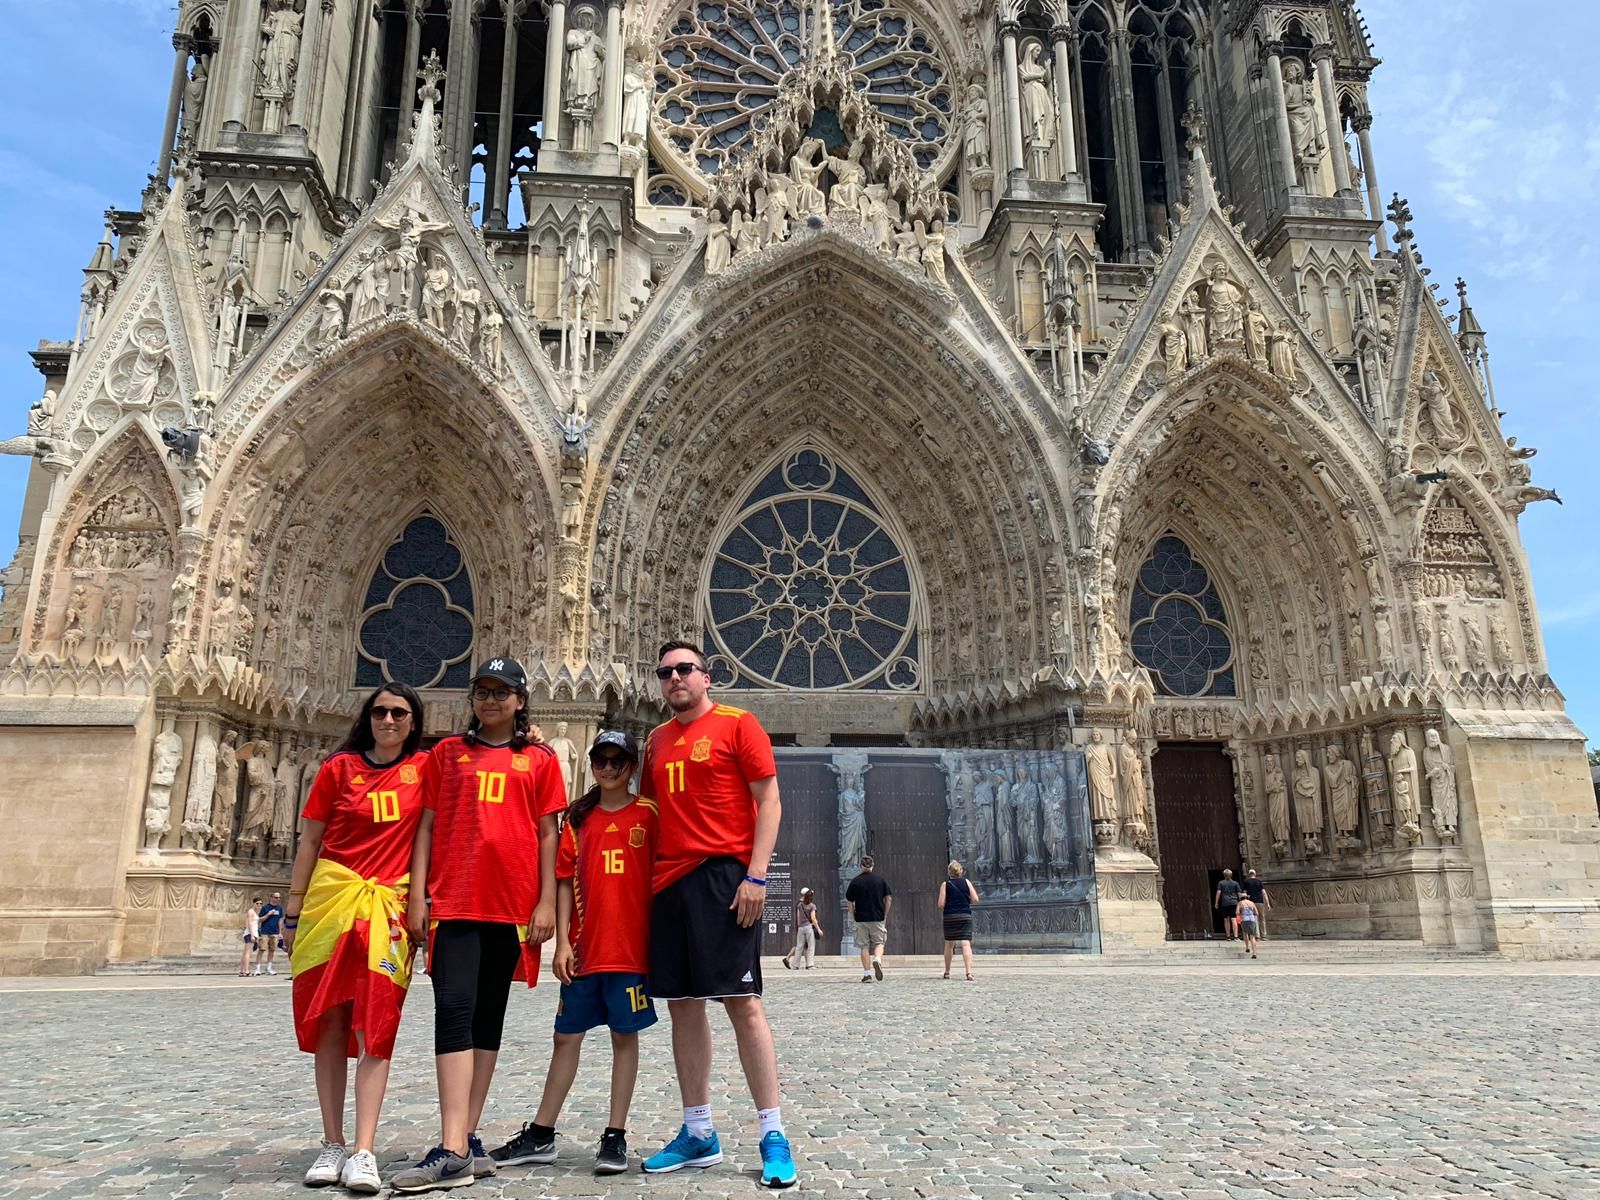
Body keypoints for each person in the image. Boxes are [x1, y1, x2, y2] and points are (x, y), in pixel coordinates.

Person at [392, 658, 568, 1194]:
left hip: (511, 907)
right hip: (455, 899)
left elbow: (547, 836)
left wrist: (546, 906)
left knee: (488, 1020)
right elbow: (424, 825)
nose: (490, 700)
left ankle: (465, 1139)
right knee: (455, 1013)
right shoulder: (446, 754)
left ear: (520, 701)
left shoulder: (539, 760)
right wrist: (419, 895)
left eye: (501, 692)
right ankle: (451, 1146)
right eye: (482, 691)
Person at [640, 640, 796, 1189]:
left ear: (707, 676)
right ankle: (698, 1131)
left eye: (685, 669)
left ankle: (773, 1133)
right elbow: (647, 810)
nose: (675, 679)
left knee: (743, 1004)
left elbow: (769, 801)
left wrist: (756, 875)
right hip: (668, 882)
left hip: (724, 878)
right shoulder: (656, 740)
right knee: (683, 1006)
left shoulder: (738, 724)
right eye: (665, 673)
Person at [490, 730, 658, 1176]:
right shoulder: (578, 820)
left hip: (630, 950)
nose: (607, 768)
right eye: (600, 760)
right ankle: (542, 1133)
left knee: (625, 1038)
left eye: (616, 761)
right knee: (565, 1037)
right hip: (585, 948)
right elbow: (564, 880)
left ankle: (615, 1135)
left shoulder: (649, 814)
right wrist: (563, 941)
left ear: (631, 766)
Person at [283, 683, 429, 1193]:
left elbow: (476, 764)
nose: (388, 719)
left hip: (387, 908)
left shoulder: (426, 769)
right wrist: (293, 908)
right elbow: (310, 840)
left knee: (377, 1025)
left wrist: (530, 734)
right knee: (331, 1021)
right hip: (330, 903)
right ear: (367, 717)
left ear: (414, 721)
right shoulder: (337, 769)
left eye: (399, 712)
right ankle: (332, 1142)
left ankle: (364, 1150)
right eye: (380, 711)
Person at [845, 855, 892, 982]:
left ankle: (867, 974)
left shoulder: (855, 882)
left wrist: (853, 914)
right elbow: (888, 898)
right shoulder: (880, 880)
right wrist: (885, 913)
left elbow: (849, 901)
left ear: (861, 866)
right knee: (879, 943)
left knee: (864, 947)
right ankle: (877, 959)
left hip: (861, 918)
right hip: (877, 917)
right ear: (872, 866)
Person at [937, 861, 979, 981]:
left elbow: (940, 904)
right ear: (960, 871)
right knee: (965, 943)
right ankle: (969, 973)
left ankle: (947, 972)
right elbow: (975, 899)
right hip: (964, 915)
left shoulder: (945, 884)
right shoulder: (967, 882)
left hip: (950, 917)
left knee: (949, 944)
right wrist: (965, 902)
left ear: (949, 872)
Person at [781, 888, 821, 970]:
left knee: (799, 946)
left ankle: (795, 965)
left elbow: (798, 918)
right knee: (811, 946)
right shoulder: (812, 906)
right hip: (808, 927)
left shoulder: (799, 905)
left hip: (801, 928)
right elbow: (813, 919)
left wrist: (799, 927)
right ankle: (810, 965)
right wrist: (818, 929)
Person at [254, 891, 284, 975]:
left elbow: (280, 920)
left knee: (272, 950)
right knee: (262, 949)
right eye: (276, 897)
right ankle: (257, 968)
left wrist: (280, 932)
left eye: (279, 897)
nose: (278, 899)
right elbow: (260, 919)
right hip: (265, 931)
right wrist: (268, 914)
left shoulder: (280, 908)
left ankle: (269, 968)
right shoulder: (265, 907)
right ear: (271, 898)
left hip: (275, 932)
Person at [1240, 869, 1270, 941]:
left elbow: (1244, 893)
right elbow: (1264, 893)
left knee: (1254, 919)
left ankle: (1257, 936)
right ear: (1255, 874)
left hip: (1251, 903)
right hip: (1260, 902)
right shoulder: (1259, 882)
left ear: (1249, 874)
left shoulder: (1246, 882)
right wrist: (1267, 903)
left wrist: (1243, 902)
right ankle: (1264, 935)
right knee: (1262, 919)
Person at [1214, 868, 1242, 940]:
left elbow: (1218, 893)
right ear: (1231, 875)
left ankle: (1228, 936)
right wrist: (1241, 902)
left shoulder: (1221, 883)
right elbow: (1239, 894)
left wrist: (1216, 902)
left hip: (1225, 903)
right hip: (1234, 902)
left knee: (1226, 919)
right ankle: (1236, 936)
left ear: (1224, 875)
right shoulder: (1235, 883)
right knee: (1234, 919)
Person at [238, 897, 262, 977]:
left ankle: (242, 970)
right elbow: (249, 924)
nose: (259, 905)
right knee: (248, 953)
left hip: (253, 933)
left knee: (246, 953)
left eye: (260, 903)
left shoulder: (254, 912)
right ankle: (246, 971)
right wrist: (252, 935)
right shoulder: (251, 911)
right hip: (250, 933)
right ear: (253, 903)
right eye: (257, 903)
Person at [1236, 894, 1261, 959]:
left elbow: (1237, 912)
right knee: (1252, 937)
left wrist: (1241, 914)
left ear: (1241, 898)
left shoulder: (1240, 903)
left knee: (1245, 933)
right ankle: (1254, 953)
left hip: (1244, 920)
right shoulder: (1252, 903)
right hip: (1252, 920)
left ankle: (1247, 947)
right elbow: (1257, 913)